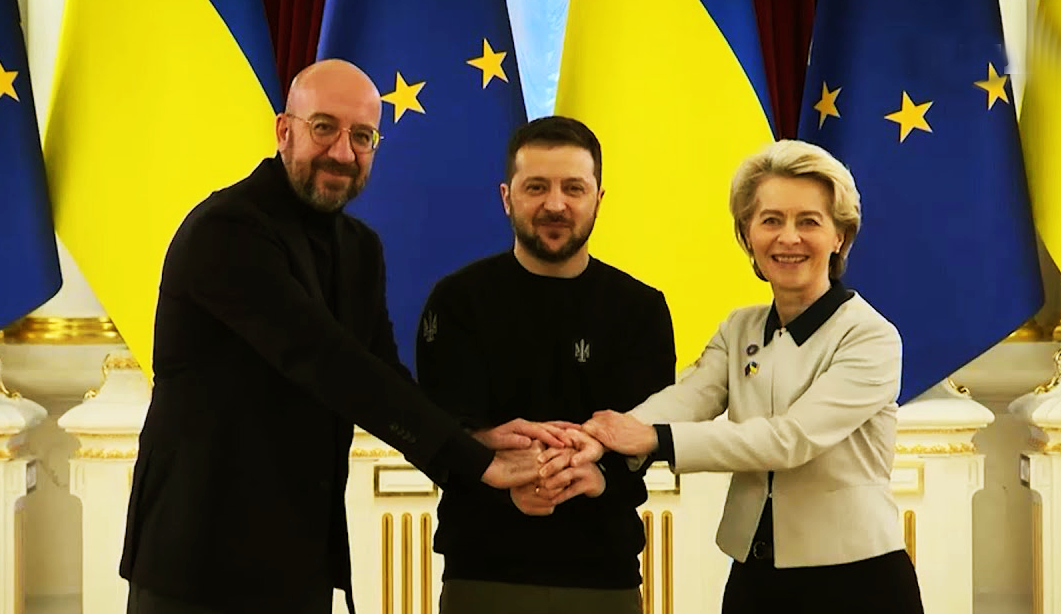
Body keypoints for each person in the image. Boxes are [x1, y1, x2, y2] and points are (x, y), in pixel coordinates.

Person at [119, 59, 567, 614]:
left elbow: (380, 368)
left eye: (362, 137)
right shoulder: (226, 229)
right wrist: (475, 463)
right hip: (197, 557)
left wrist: (471, 440)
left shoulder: (360, 247)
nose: (343, 152)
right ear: (284, 131)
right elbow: (326, 361)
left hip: (301, 556)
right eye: (324, 128)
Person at [580, 140, 924, 613]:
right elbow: (689, 397)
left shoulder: (870, 336)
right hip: (754, 576)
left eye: (809, 221)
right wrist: (596, 440)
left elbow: (789, 440)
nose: (788, 238)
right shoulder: (739, 327)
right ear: (747, 234)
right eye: (771, 220)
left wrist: (655, 439)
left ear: (840, 236)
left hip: (859, 580)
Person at [415, 116, 676, 614]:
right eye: (536, 187)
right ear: (506, 197)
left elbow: (648, 434)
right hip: (482, 574)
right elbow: (438, 432)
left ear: (599, 199)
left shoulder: (640, 309)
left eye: (573, 188)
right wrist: (506, 482)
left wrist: (599, 475)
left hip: (605, 577)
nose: (555, 205)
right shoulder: (456, 302)